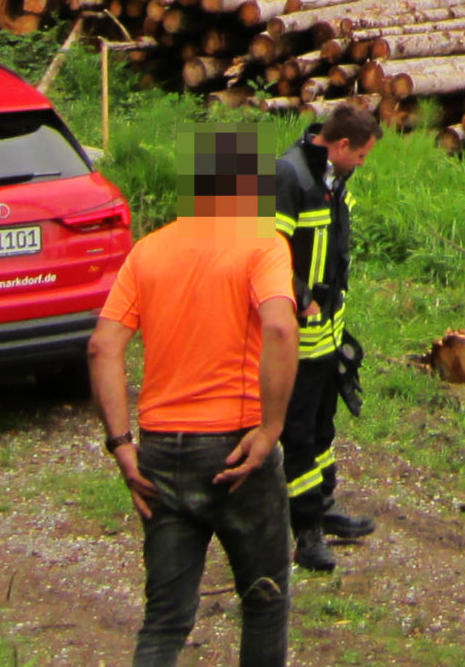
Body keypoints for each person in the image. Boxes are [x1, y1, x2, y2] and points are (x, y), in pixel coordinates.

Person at [90, 127, 299, 667]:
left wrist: (121, 445)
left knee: (164, 620)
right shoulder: (262, 243)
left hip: (159, 452)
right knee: (264, 602)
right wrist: (272, 427)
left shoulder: (148, 251)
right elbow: (279, 328)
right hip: (236, 451)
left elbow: (102, 347)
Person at [275, 100, 381, 572]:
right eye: (361, 155)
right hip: (295, 338)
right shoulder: (290, 176)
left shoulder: (334, 179)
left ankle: (323, 505)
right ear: (340, 145)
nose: (363, 163)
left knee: (322, 429)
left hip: (328, 333)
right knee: (297, 434)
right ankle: (306, 533)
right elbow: (269, 252)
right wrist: (300, 298)